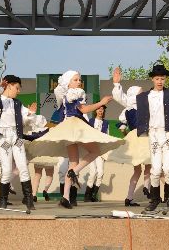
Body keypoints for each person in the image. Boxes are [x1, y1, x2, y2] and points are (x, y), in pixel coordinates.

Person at [28, 71, 122, 209]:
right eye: (76, 80)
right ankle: (75, 172)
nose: (79, 82)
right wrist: (101, 103)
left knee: (73, 163)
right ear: (68, 82)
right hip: (75, 125)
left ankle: (65, 197)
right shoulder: (74, 93)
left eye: (79, 80)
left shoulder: (67, 94)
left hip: (68, 127)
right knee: (95, 151)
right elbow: (83, 110)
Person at [115, 62, 169, 211]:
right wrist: (117, 84)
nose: (160, 81)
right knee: (155, 169)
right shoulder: (145, 97)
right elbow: (124, 100)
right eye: (157, 79)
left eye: (162, 78)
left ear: (165, 79)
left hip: (168, 134)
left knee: (168, 168)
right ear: (152, 79)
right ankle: (154, 200)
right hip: (154, 135)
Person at [0, 75, 37, 210]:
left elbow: (25, 119)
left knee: (23, 166)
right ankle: (3, 200)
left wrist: (30, 114)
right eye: (17, 88)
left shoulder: (17, 103)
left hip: (17, 138)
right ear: (9, 86)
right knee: (6, 169)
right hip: (3, 139)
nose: (18, 91)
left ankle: (28, 199)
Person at [109, 84, 149, 207]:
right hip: (144, 137)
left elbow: (122, 128)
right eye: (141, 93)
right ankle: (146, 186)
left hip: (133, 138)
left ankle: (129, 197)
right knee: (149, 164)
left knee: (137, 170)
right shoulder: (144, 108)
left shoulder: (126, 110)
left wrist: (128, 136)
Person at [84, 105, 109, 202]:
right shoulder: (90, 121)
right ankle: (87, 195)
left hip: (100, 150)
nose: (100, 111)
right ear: (95, 110)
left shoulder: (106, 123)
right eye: (99, 109)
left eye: (102, 109)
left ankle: (93, 194)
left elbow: (107, 137)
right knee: (93, 172)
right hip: (90, 150)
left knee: (101, 172)